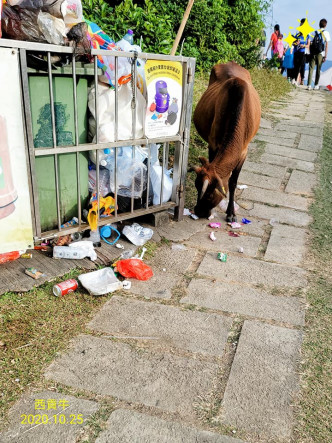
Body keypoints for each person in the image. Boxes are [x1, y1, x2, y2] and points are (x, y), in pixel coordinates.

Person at [307, 18, 330, 90]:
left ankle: (309, 85)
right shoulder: (326, 33)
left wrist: (309, 52)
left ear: (319, 24)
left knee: (311, 68)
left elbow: (309, 42)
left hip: (313, 53)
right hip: (321, 53)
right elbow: (326, 45)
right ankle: (316, 85)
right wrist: (325, 56)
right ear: (325, 25)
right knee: (318, 69)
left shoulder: (314, 32)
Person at [291, 19, 310, 86]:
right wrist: (296, 42)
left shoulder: (307, 35)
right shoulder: (297, 34)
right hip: (296, 51)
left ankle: (296, 80)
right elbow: (293, 43)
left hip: (302, 52)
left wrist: (303, 45)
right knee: (295, 65)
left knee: (299, 66)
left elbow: (308, 45)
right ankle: (293, 79)